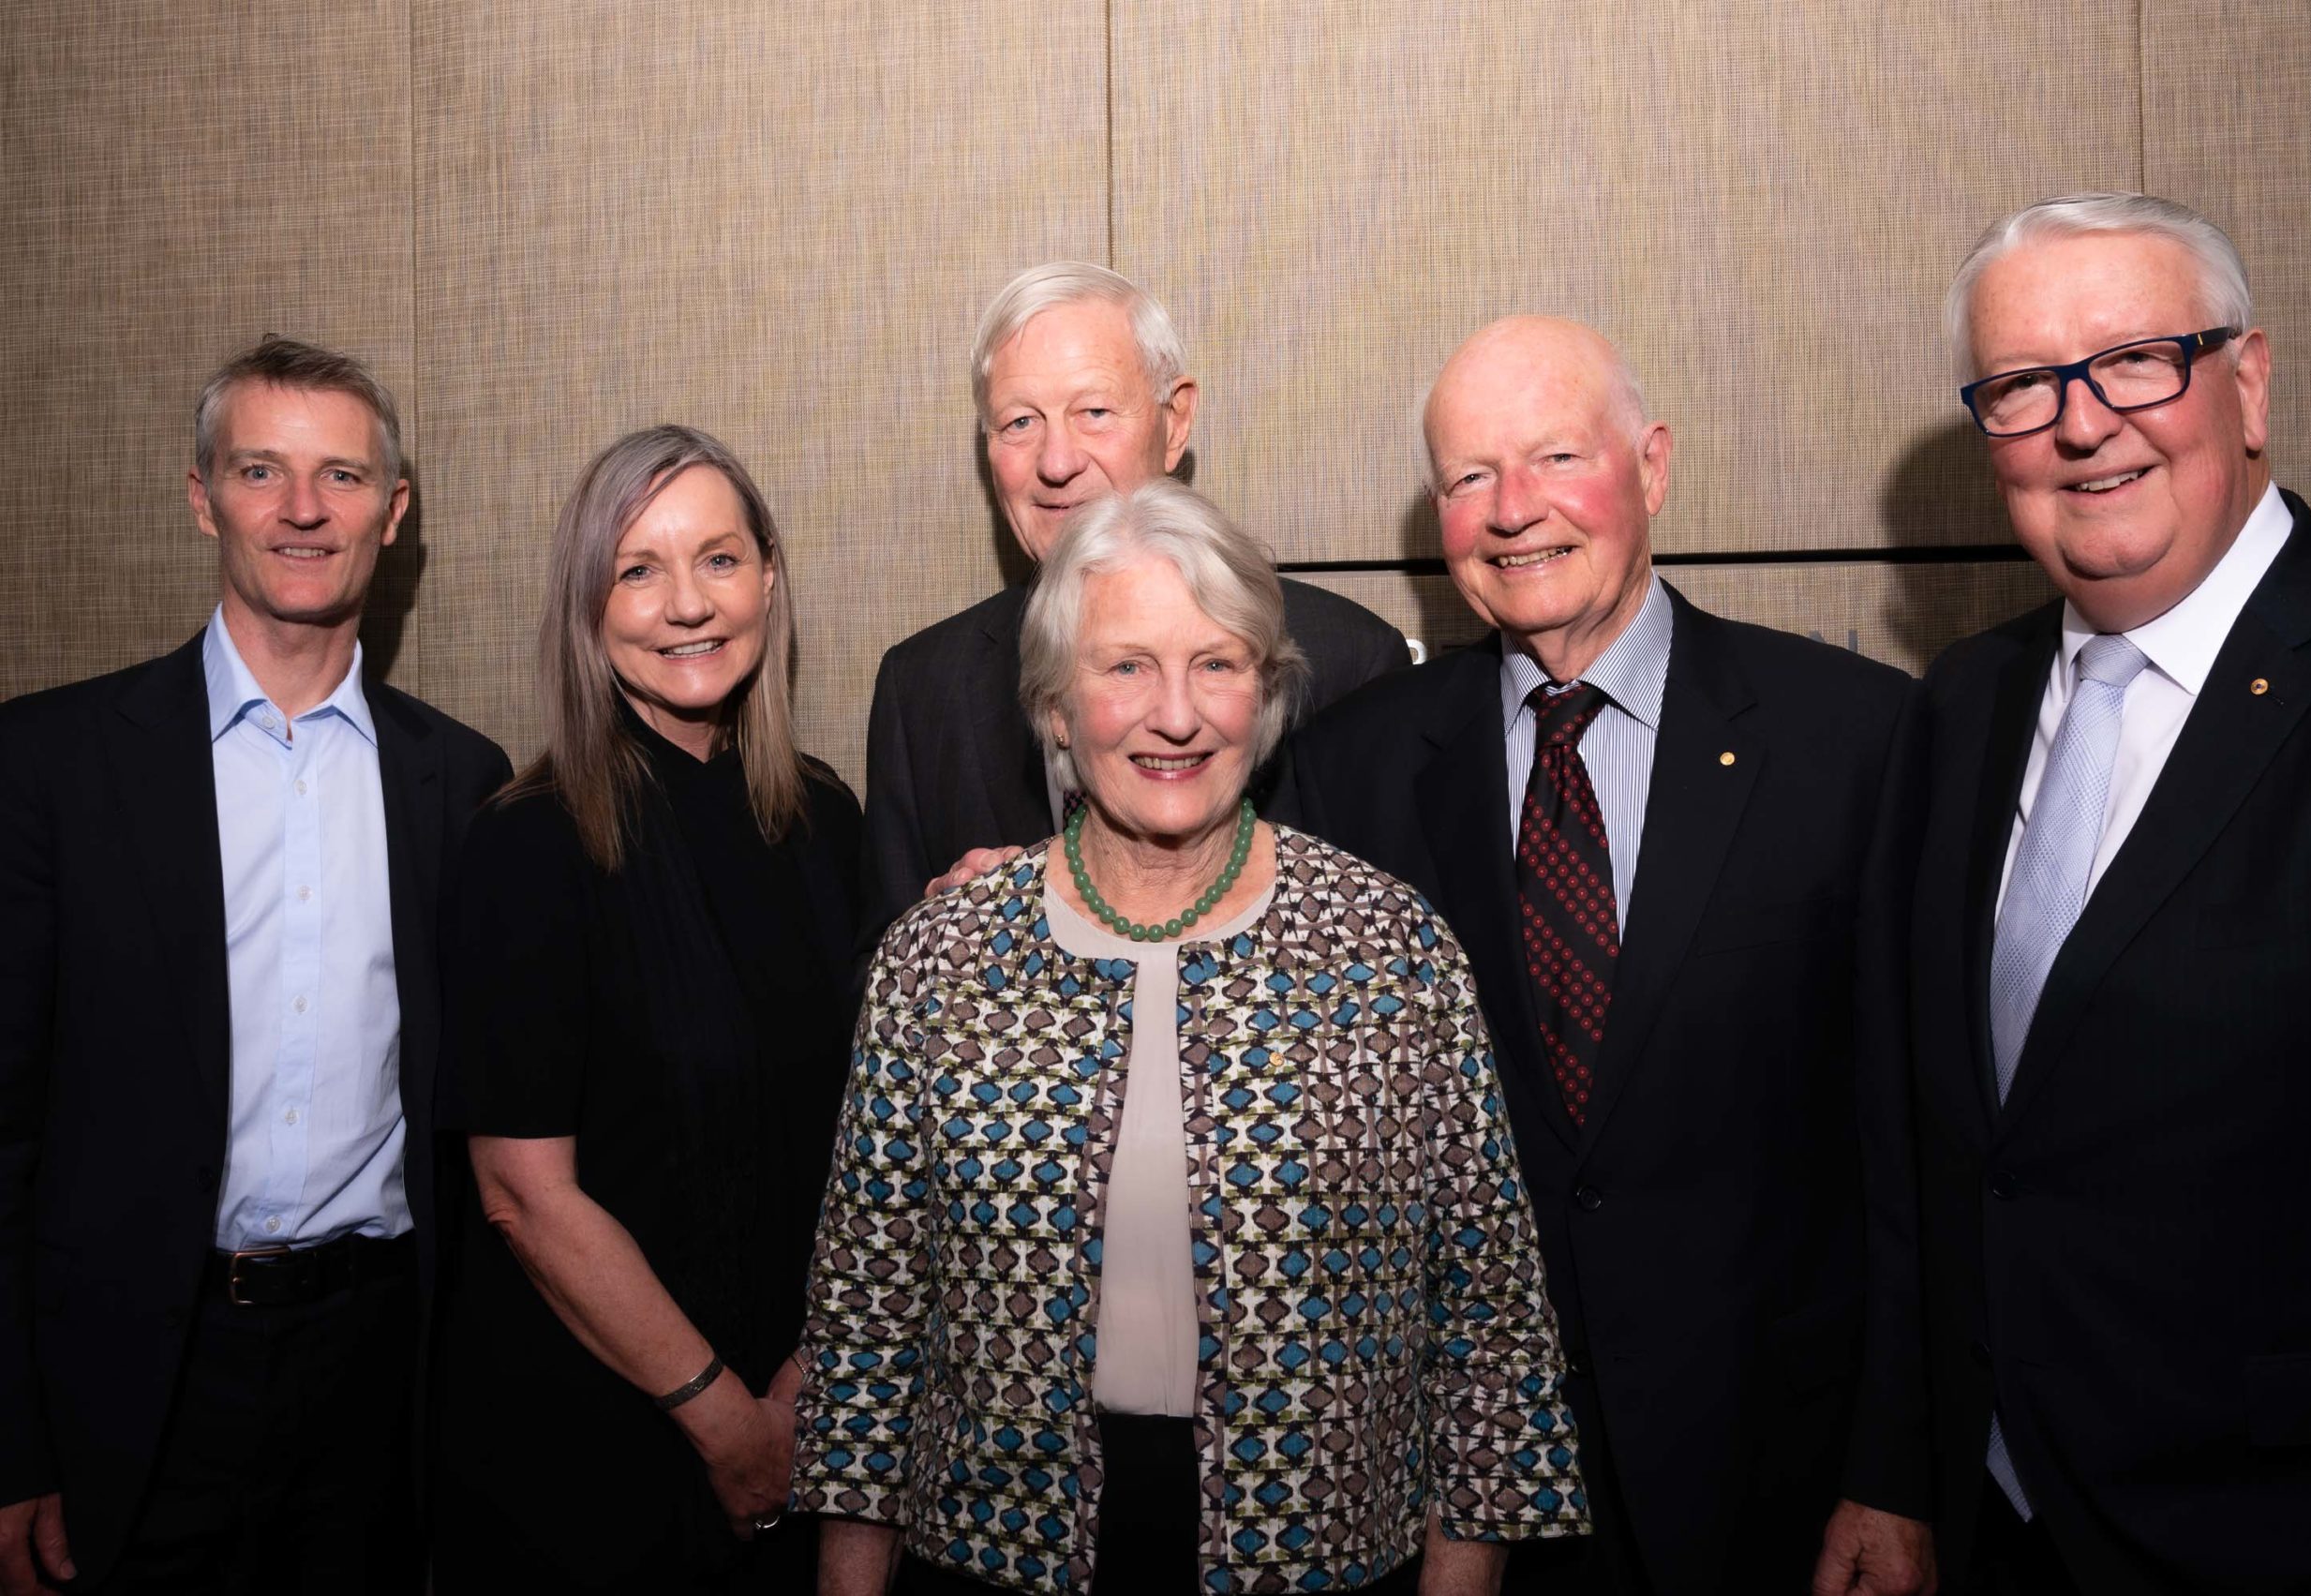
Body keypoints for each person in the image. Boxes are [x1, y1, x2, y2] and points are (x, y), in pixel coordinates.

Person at [795, 478, 1586, 1596]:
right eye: (1125, 666)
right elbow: (863, 1330)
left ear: (1264, 697)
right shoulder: (940, 961)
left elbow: (1491, 1332)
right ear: (1057, 706)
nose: (1177, 713)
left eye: (1217, 663)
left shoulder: (1391, 950)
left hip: (1320, 1558)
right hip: (991, 1556)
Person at [1282, 317, 1931, 1595]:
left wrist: (1897, 1466)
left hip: (1775, 1479)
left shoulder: (1851, 737)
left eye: (1557, 457)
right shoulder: (1352, 766)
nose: (1514, 510)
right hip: (1462, 1502)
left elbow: (1913, 1140)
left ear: (1653, 465)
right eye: (1470, 478)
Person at [1852, 191, 2311, 1596]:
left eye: (2139, 359)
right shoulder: (1959, 708)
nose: (2084, 424)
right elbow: (1939, 1149)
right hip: (1999, 1531)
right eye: (2023, 386)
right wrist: (1901, 1469)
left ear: (2250, 380)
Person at [0, 336, 511, 1593]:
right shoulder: (50, 768)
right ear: (201, 494)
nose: (300, 509)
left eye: (340, 476)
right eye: (261, 470)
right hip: (130, 1380)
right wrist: (12, 1441)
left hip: (377, 1378)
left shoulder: (465, 785)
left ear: (391, 514)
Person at [432, 425, 860, 1590]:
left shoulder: (826, 818)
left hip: (816, 1423)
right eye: (638, 569)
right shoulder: (527, 844)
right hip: (601, 1449)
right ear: (589, 606)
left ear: (769, 576)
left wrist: (810, 1387)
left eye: (718, 559)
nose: (686, 605)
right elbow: (524, 1196)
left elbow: (877, 1143)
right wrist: (728, 1423)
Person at [859, 261, 1411, 941]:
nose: (1056, 461)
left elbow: (1399, 954)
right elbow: (870, 993)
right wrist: (937, 936)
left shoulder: (1347, 662)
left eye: (1093, 412)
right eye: (1019, 422)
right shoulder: (923, 688)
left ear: (1175, 422)